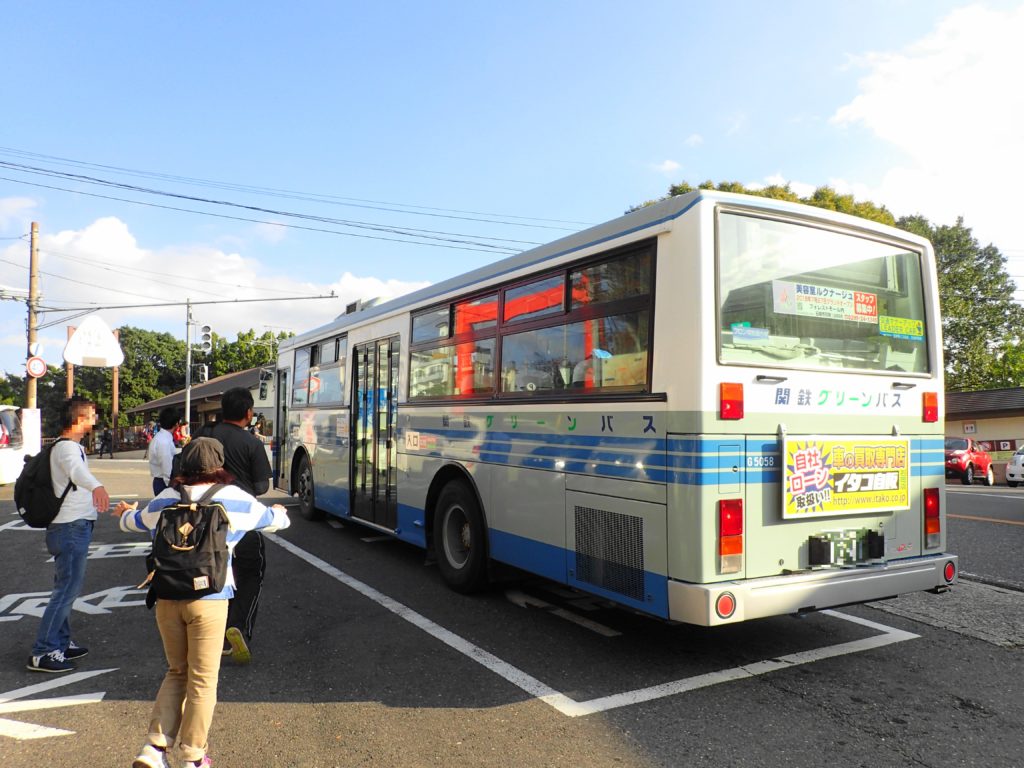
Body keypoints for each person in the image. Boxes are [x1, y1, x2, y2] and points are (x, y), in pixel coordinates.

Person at [112, 437, 290, 768]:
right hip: (209, 599)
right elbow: (277, 522)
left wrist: (126, 513)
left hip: (167, 596)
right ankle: (192, 756)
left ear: (184, 466)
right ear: (219, 466)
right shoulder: (235, 499)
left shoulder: (166, 499)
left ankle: (154, 748)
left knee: (177, 671)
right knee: (203, 678)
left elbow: (130, 522)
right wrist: (278, 512)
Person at [26, 396, 111, 673]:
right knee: (66, 591)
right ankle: (44, 651)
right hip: (70, 527)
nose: (94, 421)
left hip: (70, 526)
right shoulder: (67, 449)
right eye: (91, 416)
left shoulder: (68, 447)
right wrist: (97, 487)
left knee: (65, 588)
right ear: (78, 419)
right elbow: (77, 473)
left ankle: (60, 643)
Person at [197, 387, 272, 663]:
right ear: (248, 413)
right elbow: (262, 486)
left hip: (202, 520)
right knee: (251, 572)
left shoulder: (203, 436)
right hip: (241, 520)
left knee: (208, 574)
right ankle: (237, 627)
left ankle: (209, 632)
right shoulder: (251, 443)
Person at [149, 408, 178, 495]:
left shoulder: (160, 437)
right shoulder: (164, 441)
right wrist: (172, 486)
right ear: (176, 424)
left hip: (161, 481)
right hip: (164, 482)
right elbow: (167, 466)